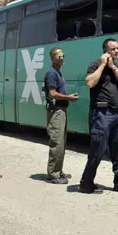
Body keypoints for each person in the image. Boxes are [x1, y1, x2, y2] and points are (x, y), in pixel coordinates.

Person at [79, 39, 118, 194]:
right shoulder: (95, 65)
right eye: (113, 49)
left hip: (117, 115)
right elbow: (90, 82)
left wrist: (112, 67)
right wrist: (103, 65)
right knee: (98, 149)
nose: (117, 51)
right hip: (101, 113)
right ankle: (86, 183)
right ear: (105, 51)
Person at [43, 47, 78, 184]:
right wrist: (68, 97)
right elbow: (52, 94)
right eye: (58, 56)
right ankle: (53, 174)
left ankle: (58, 170)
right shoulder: (51, 73)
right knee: (57, 143)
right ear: (52, 58)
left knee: (61, 142)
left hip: (61, 110)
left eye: (63, 56)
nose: (62, 58)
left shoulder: (58, 72)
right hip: (55, 110)